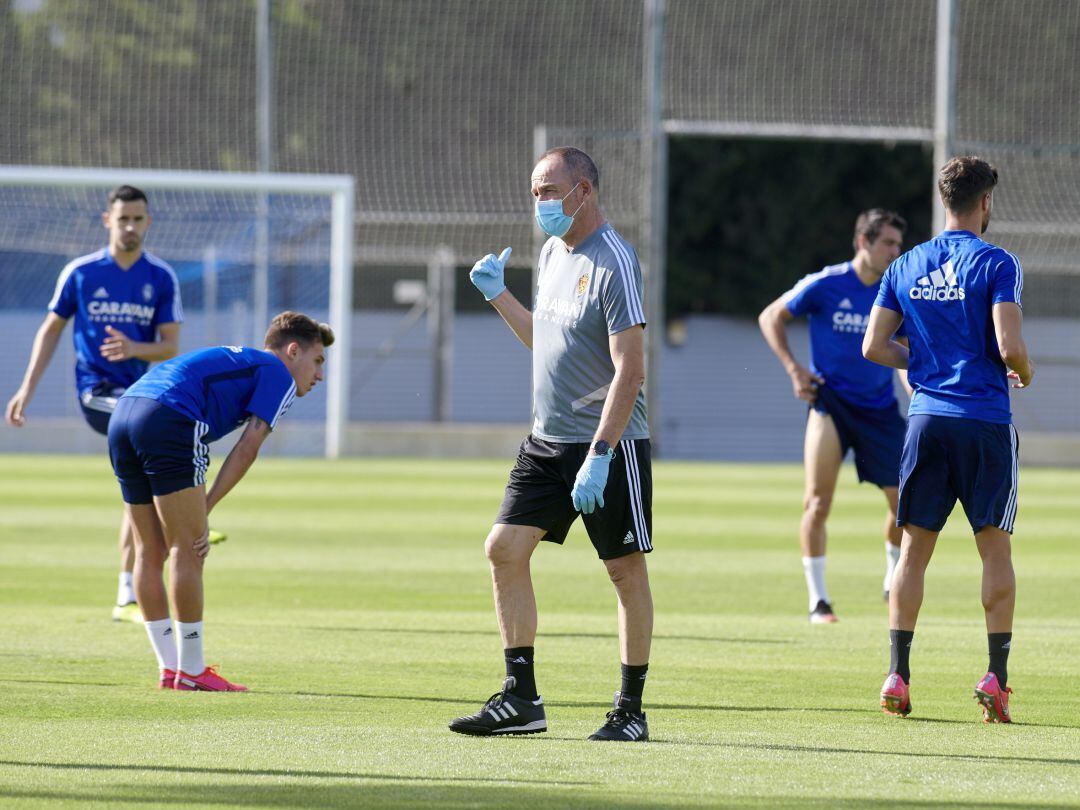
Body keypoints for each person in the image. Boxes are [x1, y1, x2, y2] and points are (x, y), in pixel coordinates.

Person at [449, 147, 653, 742]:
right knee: (503, 550)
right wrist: (498, 295)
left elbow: (630, 370)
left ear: (583, 191)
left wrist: (600, 455)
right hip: (545, 438)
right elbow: (547, 341)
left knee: (623, 572)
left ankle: (630, 711)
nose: (540, 201)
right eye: (535, 190)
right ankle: (521, 699)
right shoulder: (550, 253)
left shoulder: (615, 260)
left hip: (605, 444)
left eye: (549, 190)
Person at [863, 156, 1032, 723]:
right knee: (995, 550)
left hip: (927, 420)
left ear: (944, 201)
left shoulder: (905, 264)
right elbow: (1009, 348)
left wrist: (924, 365)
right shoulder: (997, 262)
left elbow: (873, 346)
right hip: (983, 420)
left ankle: (897, 674)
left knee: (913, 552)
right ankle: (996, 677)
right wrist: (1024, 372)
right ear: (985, 202)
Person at [106, 311, 333, 691]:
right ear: (293, 351)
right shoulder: (278, 374)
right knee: (189, 548)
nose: (320, 374)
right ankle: (192, 671)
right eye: (318, 360)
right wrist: (204, 508)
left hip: (125, 414)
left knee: (149, 551)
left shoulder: (243, 360)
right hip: (169, 417)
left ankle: (170, 669)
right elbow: (247, 448)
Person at [5, 185, 183, 622]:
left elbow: (170, 346)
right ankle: (183, 516)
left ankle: (128, 594)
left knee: (140, 483)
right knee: (155, 436)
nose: (130, 227)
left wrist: (135, 348)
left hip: (141, 395)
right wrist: (27, 388)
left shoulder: (161, 277)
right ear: (108, 220)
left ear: (148, 222)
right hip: (97, 393)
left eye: (137, 219)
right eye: (122, 219)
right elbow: (51, 330)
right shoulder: (81, 272)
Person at [758, 209, 910, 623]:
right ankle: (819, 601)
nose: (895, 252)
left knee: (905, 504)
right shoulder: (827, 283)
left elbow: (906, 352)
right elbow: (770, 316)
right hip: (831, 405)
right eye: (888, 243)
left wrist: (916, 390)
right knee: (817, 501)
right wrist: (794, 370)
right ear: (863, 242)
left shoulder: (896, 291)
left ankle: (892, 577)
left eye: (899, 244)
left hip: (880, 409)